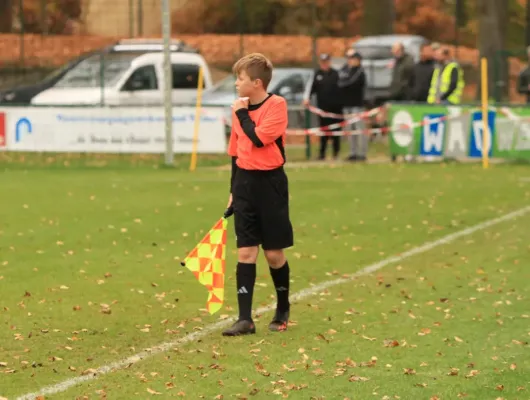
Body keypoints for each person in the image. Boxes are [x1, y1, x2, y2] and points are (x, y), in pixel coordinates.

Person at [222, 53, 294, 337]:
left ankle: (283, 308)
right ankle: (244, 319)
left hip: (271, 184)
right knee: (245, 250)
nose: (236, 84)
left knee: (274, 253)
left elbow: (259, 138)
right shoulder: (237, 110)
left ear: (257, 82)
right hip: (245, 183)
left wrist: (241, 113)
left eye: (240, 78)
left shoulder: (277, 105)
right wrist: (232, 190)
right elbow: (236, 151)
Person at [303, 53, 343, 160]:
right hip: (322, 109)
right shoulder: (317, 74)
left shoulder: (336, 74)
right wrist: (307, 99)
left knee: (336, 132)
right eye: (323, 62)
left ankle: (336, 153)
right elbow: (310, 88)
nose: (325, 64)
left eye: (326, 62)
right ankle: (322, 154)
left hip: (336, 109)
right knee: (323, 132)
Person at [338, 48, 367, 162]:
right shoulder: (346, 70)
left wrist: (344, 84)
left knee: (359, 130)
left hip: (357, 105)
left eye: (352, 59)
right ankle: (353, 152)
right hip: (347, 104)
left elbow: (350, 83)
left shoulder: (360, 71)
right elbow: (340, 81)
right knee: (350, 131)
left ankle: (362, 153)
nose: (350, 61)